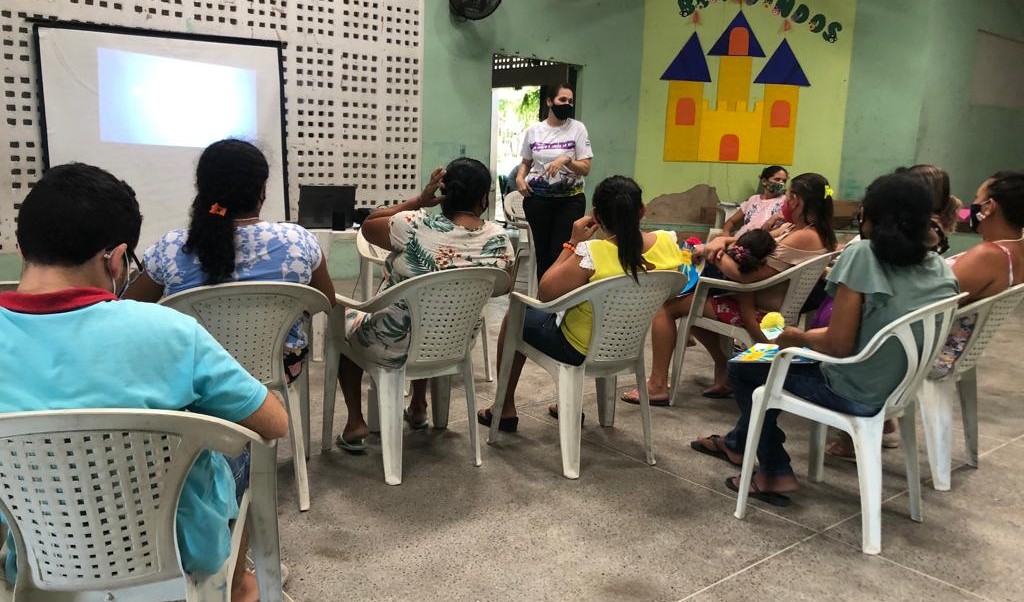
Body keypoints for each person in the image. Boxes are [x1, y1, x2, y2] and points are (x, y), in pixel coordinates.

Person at [0, 163, 289, 602]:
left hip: (37, 557)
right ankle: (238, 584)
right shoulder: (170, 332)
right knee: (237, 447)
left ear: (21, 248)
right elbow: (274, 423)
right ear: (115, 258)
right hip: (173, 553)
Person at [690, 172, 959, 504]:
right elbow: (867, 329)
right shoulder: (939, 266)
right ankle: (736, 444)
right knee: (769, 364)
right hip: (897, 386)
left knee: (744, 367)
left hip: (851, 385)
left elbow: (838, 345)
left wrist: (796, 337)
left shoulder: (864, 255)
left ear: (870, 215)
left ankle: (774, 471)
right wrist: (804, 338)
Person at [477, 175, 687, 430]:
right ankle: (568, 404)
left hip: (579, 347)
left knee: (516, 315)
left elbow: (546, 292)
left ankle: (505, 407)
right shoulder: (667, 243)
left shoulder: (593, 253)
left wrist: (573, 242)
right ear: (642, 210)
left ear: (596, 217)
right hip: (627, 347)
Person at [334, 158, 514, 450]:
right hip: (455, 343)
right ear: (484, 198)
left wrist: (420, 199)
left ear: (444, 194)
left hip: (394, 344)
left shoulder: (413, 225)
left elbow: (367, 226)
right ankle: (418, 406)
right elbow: (498, 290)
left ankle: (355, 423)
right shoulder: (499, 239)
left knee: (342, 319)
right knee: (430, 314)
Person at [126, 139, 336, 382]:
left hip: (192, 374)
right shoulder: (299, 240)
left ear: (202, 189)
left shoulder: (170, 248)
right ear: (262, 190)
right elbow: (326, 301)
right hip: (279, 368)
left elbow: (131, 309)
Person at [621, 173, 837, 404]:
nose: (783, 200)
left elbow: (744, 276)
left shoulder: (804, 236)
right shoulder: (798, 229)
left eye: (787, 195)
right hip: (756, 299)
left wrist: (714, 252)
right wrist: (719, 243)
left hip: (761, 310)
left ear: (797, 200)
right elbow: (748, 240)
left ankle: (657, 386)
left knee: (667, 307)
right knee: (693, 301)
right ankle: (724, 372)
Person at [515, 83, 593, 281]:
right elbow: (525, 162)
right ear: (550, 101)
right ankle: (543, 300)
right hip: (537, 200)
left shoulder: (577, 128)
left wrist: (567, 160)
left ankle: (559, 298)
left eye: (570, 101)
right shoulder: (534, 131)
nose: (567, 104)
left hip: (570, 200)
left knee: (560, 252)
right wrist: (519, 177)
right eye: (562, 100)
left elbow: (585, 168)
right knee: (542, 253)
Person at [722, 166, 789, 236]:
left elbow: (793, 221)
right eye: (777, 179)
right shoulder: (753, 199)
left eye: (784, 181)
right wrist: (725, 234)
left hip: (764, 240)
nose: (781, 183)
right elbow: (731, 221)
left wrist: (775, 217)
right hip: (742, 238)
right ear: (764, 181)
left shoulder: (785, 200)